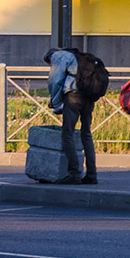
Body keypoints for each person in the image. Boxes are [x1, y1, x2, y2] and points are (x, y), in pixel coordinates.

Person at [45, 48, 96, 185]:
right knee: (86, 133)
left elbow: (55, 80)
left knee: (67, 133)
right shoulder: (77, 56)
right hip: (89, 96)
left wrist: (55, 103)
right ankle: (92, 174)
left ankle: (74, 174)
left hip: (74, 96)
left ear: (49, 58)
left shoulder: (57, 56)